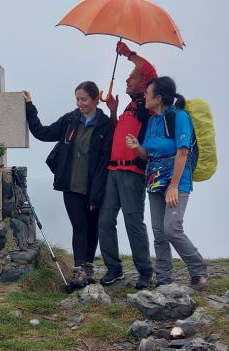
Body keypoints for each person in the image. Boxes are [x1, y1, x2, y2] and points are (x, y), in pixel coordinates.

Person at [23, 82, 114, 288]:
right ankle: (80, 270)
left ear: (95, 100)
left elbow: (103, 164)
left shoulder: (106, 126)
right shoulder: (70, 120)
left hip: (94, 187)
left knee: (93, 228)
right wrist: (30, 106)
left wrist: (96, 195)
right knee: (80, 226)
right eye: (77, 99)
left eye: (83, 99)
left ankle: (88, 268)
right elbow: (43, 133)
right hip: (71, 185)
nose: (79, 103)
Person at [125, 76, 208, 290]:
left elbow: (182, 152)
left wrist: (173, 186)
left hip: (177, 181)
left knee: (172, 229)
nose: (144, 96)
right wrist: (137, 147)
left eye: (148, 93)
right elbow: (148, 155)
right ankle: (163, 278)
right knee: (159, 232)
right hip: (154, 181)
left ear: (159, 98)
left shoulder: (179, 117)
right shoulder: (152, 121)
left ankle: (198, 269)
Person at [98, 41, 157, 289]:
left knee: (133, 221)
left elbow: (150, 69)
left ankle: (145, 272)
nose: (126, 81)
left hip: (132, 172)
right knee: (105, 220)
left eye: (131, 77)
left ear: (143, 82)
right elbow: (117, 134)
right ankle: (114, 268)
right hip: (113, 170)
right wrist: (113, 110)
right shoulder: (130, 106)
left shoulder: (149, 104)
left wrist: (129, 54)